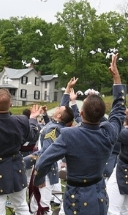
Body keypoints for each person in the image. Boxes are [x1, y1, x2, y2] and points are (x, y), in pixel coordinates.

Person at [33, 54, 126, 215]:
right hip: (99, 196)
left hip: (76, 198)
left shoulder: (69, 135)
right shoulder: (109, 132)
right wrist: (117, 79)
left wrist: (39, 179)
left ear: (81, 113)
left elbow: (43, 162)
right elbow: (119, 110)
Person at [25, 78, 79, 211]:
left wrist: (40, 174)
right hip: (42, 167)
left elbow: (47, 153)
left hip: (45, 170)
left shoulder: (54, 129)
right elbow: (64, 107)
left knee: (42, 205)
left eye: (58, 109)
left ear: (59, 115)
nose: (57, 108)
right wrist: (67, 88)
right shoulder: (55, 124)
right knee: (35, 204)